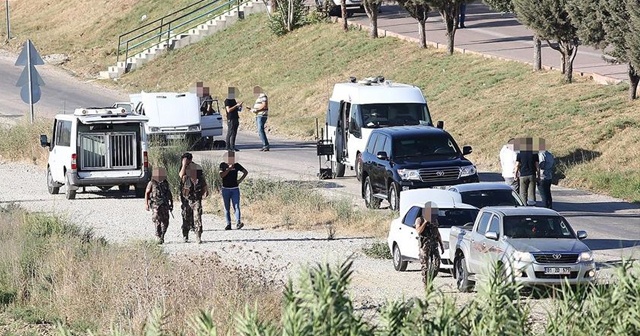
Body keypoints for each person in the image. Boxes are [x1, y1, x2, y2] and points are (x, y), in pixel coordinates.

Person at [179, 153, 209, 243]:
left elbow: (202, 179)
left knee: (198, 217)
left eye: (187, 160)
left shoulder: (197, 167)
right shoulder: (182, 168)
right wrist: (184, 165)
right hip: (186, 198)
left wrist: (205, 189)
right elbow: (181, 175)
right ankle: (185, 235)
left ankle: (198, 236)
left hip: (196, 196)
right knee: (186, 217)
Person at [415, 202, 445, 284]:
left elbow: (437, 232)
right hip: (424, 245)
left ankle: (430, 280)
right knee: (425, 267)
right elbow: (418, 231)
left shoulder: (434, 220)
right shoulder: (419, 220)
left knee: (436, 265)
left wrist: (441, 245)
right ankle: (426, 285)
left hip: (434, 245)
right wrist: (425, 222)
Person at [219, 150, 248, 230]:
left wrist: (240, 180)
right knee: (226, 207)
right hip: (225, 189)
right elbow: (221, 175)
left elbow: (245, 172)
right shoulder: (223, 165)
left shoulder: (237, 165)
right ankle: (228, 224)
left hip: (235, 188)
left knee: (236, 206)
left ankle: (238, 222)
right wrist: (229, 169)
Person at [145, 167, 173, 244]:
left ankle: (162, 235)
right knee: (157, 219)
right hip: (155, 204)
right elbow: (147, 193)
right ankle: (158, 235)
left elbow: (169, 193)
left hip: (164, 204)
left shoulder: (165, 183)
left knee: (166, 221)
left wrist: (171, 203)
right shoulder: (151, 183)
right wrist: (146, 204)